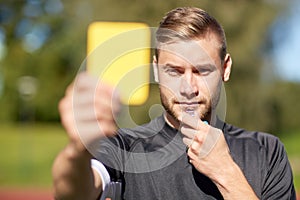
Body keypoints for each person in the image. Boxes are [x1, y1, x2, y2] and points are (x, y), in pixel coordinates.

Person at [52, 7, 296, 200]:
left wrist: (225, 172)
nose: (188, 88)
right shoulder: (123, 147)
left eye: (201, 71)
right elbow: (73, 193)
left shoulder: (267, 151)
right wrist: (77, 150)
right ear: (157, 70)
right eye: (175, 71)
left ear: (225, 68)